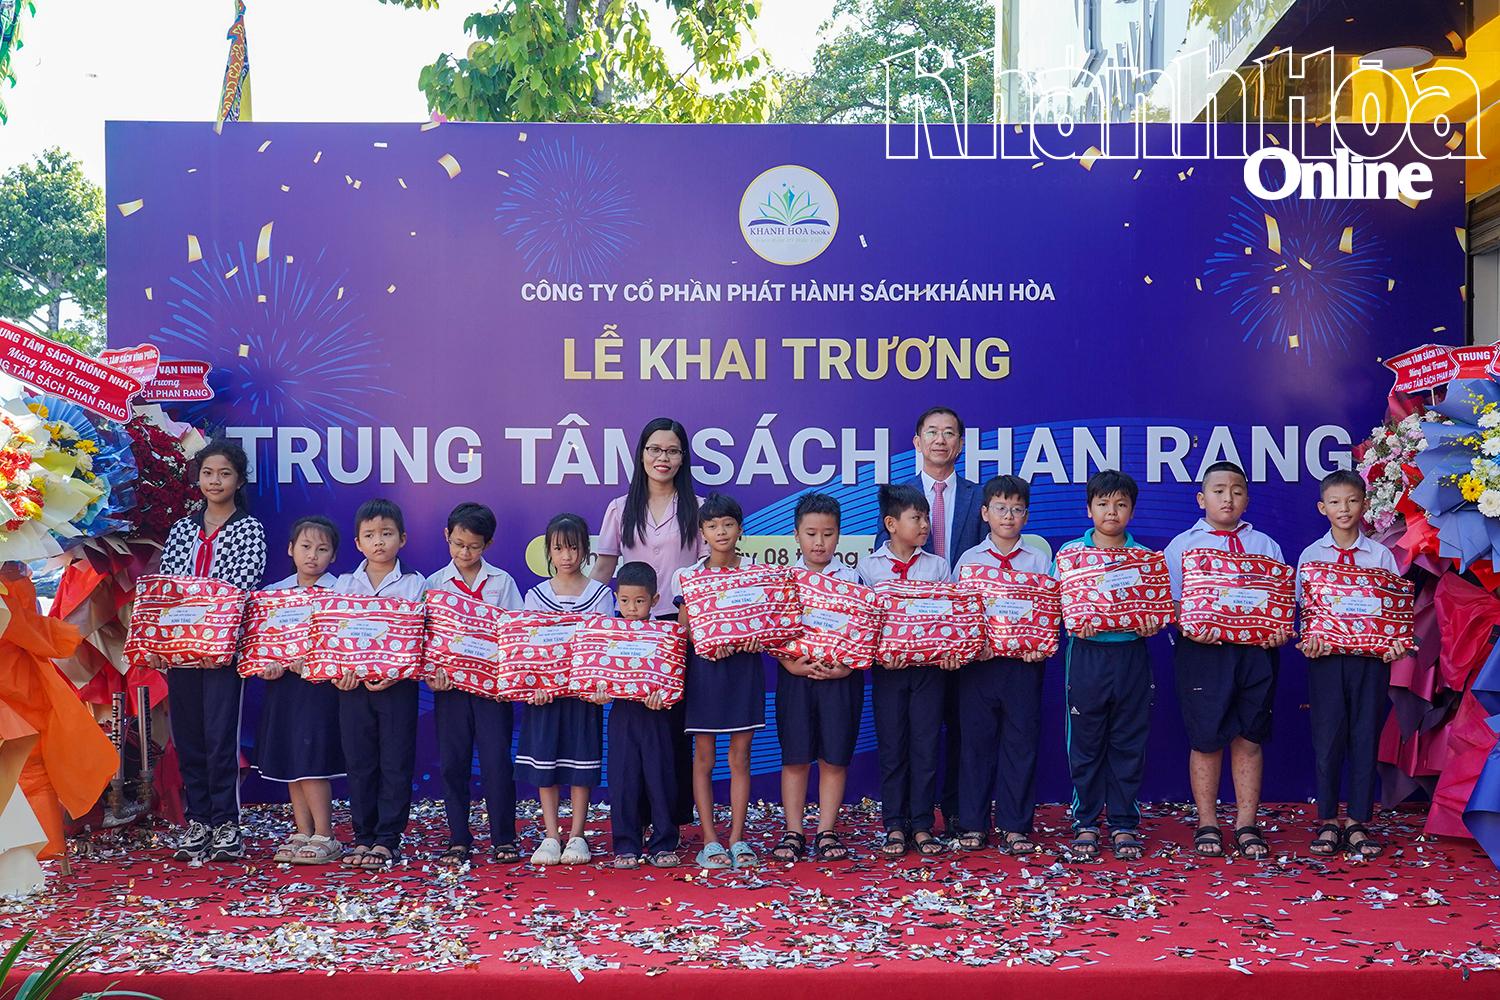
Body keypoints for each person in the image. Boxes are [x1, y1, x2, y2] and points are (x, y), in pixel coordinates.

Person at [1162, 462, 1288, 861]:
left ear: (1247, 499)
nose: (1228, 498)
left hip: (1255, 653)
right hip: (1203, 653)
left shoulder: (1265, 546)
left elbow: (1279, 604)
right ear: (1202, 499)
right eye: (1218, 490)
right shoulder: (1182, 545)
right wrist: (1189, 624)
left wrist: (1279, 629)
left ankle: (1247, 824)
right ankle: (1207, 823)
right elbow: (1172, 604)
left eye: (1236, 490)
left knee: (1249, 737)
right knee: (1206, 737)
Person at [874, 407, 984, 835]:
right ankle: (903, 820)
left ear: (960, 443)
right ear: (918, 442)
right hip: (905, 652)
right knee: (907, 736)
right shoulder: (898, 497)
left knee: (959, 727)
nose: (941, 440)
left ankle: (954, 810)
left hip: (965, 638)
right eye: (932, 433)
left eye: (950, 433)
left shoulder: (979, 497)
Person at [157, 440, 267, 864]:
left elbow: (238, 590)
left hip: (222, 651)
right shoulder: (183, 528)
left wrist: (211, 633)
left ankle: (226, 823)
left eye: (224, 474)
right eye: (207, 473)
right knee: (188, 736)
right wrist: (174, 638)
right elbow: (170, 588)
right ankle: (197, 819)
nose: (215, 481)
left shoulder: (248, 529)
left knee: (221, 736)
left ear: (239, 480)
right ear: (197, 477)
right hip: (181, 651)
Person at [592, 417, 704, 828]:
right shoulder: (620, 508)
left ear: (683, 458)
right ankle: (632, 819)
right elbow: (604, 569)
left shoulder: (699, 508)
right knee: (632, 731)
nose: (663, 458)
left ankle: (670, 820)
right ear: (641, 454)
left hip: (678, 629)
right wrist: (585, 626)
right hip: (629, 634)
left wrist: (692, 623)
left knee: (672, 726)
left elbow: (704, 572)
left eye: (672, 451)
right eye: (655, 449)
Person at [1296, 469, 1407, 860]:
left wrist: (1395, 645)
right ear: (1322, 507)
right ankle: (1328, 821)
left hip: (1370, 663)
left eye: (1352, 501)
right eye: (1336, 502)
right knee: (1327, 740)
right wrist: (1309, 640)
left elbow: (1394, 611)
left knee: (1364, 737)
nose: (1344, 509)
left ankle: (1358, 822)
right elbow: (1306, 612)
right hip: (1326, 661)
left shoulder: (1381, 555)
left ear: (1364, 505)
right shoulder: (1311, 555)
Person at [1055, 470, 1164, 862]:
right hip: (1086, 655)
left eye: (1120, 504)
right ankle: (1085, 819)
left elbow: (1158, 609)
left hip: (1131, 654)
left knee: (1128, 739)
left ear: (1132, 511)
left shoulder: (1147, 560)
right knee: (1084, 740)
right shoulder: (1068, 556)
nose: (1111, 511)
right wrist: (1073, 619)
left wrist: (1153, 621)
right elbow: (1056, 607)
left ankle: (1123, 822)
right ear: (1089, 510)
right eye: (1103, 503)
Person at [859, 483, 960, 859]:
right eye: (916, 519)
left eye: (926, 519)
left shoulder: (937, 566)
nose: (924, 526)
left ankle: (921, 824)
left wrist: (951, 652)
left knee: (925, 744)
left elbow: (951, 617)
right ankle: (894, 824)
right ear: (890, 523)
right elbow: (864, 624)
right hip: (889, 671)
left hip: (930, 671)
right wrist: (879, 655)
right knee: (893, 747)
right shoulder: (870, 568)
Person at [951, 475, 1050, 857]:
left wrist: (1038, 646)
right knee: (975, 745)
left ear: (1026, 516)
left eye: (1017, 509)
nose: (1008, 516)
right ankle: (973, 823)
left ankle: (1015, 825)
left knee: (1020, 744)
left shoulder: (1039, 560)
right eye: (1000, 508)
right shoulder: (969, 561)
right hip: (978, 667)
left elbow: (1047, 612)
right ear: (984, 513)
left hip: (1023, 667)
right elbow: (958, 616)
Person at [425, 502, 523, 866]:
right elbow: (426, 637)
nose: (465, 553)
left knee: (497, 762)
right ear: (446, 536)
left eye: (474, 546)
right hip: (449, 690)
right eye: (458, 544)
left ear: (489, 544)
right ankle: (458, 838)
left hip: (492, 692)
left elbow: (515, 634)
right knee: (454, 763)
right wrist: (431, 675)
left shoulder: (502, 582)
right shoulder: (433, 584)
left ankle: (504, 837)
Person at [331, 498, 427, 870]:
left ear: (402, 539)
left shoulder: (415, 584)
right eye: (370, 535)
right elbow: (333, 636)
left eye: (386, 534)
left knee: (395, 761)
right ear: (357, 543)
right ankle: (363, 835)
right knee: (360, 762)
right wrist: (338, 672)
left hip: (397, 687)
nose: (379, 542)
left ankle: (388, 838)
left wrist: (395, 672)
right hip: (352, 687)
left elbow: (418, 637)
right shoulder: (344, 584)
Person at [672, 493, 765, 870]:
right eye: (712, 526)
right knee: (705, 759)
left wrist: (755, 636)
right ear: (702, 532)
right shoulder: (690, 575)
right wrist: (709, 642)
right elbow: (683, 629)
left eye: (728, 524)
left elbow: (766, 622)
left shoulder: (756, 572)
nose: (721, 531)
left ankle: (738, 838)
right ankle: (710, 840)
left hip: (744, 673)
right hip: (705, 673)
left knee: (740, 758)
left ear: (740, 529)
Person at [518, 513, 615, 866]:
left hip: (582, 698)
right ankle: (550, 835)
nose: (566, 556)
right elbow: (528, 650)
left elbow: (604, 649)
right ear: (549, 551)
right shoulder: (535, 595)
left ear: (585, 551)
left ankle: (577, 834)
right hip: (545, 698)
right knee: (546, 765)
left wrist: (598, 686)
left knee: (579, 765)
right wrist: (535, 685)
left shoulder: (601, 595)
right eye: (558, 548)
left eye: (573, 548)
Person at [771, 493, 863, 864]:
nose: (819, 542)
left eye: (827, 533)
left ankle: (826, 830)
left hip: (840, 679)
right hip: (795, 677)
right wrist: (788, 663)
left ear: (839, 536)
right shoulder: (784, 579)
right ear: (796, 535)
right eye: (811, 534)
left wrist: (846, 667)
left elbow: (864, 633)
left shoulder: (854, 579)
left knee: (834, 758)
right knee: (795, 757)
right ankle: (793, 831)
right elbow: (771, 630)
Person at [256, 515, 344, 866]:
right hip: (283, 689)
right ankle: (302, 830)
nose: (313, 556)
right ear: (291, 549)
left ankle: (326, 834)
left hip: (319, 689)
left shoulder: (341, 594)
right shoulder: (272, 595)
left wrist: (314, 663)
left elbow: (343, 645)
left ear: (334, 556)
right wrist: (268, 666)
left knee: (311, 762)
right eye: (306, 547)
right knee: (291, 761)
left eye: (322, 550)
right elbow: (260, 647)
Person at [605, 561, 681, 869]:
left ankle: (663, 842)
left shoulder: (667, 635)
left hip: (657, 716)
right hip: (622, 714)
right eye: (624, 601)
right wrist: (600, 692)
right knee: (623, 780)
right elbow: (599, 678)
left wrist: (664, 697)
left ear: (655, 599)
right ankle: (626, 844)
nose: (632, 608)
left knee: (660, 777)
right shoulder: (607, 635)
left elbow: (675, 679)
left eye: (639, 601)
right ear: (616, 598)